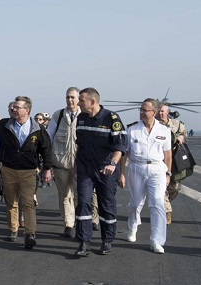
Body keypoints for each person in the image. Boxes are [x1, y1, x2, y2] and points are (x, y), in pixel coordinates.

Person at [0, 97, 52, 249]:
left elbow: (46, 149)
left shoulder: (38, 128)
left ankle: (30, 234)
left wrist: (47, 168)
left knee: (29, 203)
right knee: (11, 202)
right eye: (14, 107)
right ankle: (13, 229)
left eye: (18, 107)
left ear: (27, 110)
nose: (14, 109)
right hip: (9, 170)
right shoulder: (5, 124)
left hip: (29, 171)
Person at [73, 87, 127, 257]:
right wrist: (76, 167)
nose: (78, 103)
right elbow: (79, 146)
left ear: (92, 101)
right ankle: (84, 242)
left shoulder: (112, 118)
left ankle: (107, 240)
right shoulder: (81, 118)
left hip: (106, 169)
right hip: (85, 168)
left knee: (106, 204)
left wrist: (112, 164)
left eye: (81, 100)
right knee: (83, 203)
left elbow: (120, 147)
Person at [118, 99, 172, 254]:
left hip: (157, 169)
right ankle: (133, 226)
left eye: (144, 110)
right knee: (135, 203)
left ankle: (157, 240)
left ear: (153, 112)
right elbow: (124, 154)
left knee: (157, 203)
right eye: (140, 109)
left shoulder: (164, 131)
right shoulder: (132, 130)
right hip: (137, 167)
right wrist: (122, 173)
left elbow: (168, 154)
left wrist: (168, 173)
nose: (141, 112)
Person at [47, 87, 100, 238]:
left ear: (79, 99)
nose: (70, 100)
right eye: (67, 97)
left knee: (84, 195)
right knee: (65, 195)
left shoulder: (86, 116)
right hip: (61, 163)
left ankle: (90, 219)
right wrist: (48, 163)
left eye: (73, 97)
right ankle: (69, 224)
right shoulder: (58, 116)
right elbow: (49, 138)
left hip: (82, 163)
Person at [156, 104, 188, 224]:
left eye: (163, 111)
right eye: (158, 112)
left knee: (175, 187)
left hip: (175, 161)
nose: (161, 114)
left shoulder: (177, 124)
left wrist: (181, 138)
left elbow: (185, 135)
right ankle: (167, 212)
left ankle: (165, 202)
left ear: (168, 112)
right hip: (159, 161)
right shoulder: (154, 125)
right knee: (161, 188)